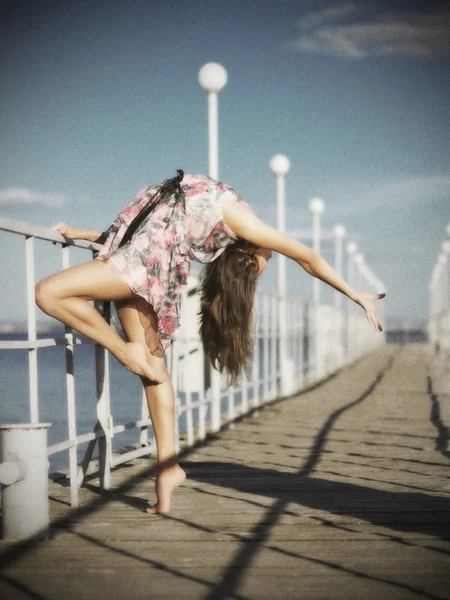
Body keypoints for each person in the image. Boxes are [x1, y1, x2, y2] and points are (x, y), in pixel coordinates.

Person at [35, 171, 385, 514]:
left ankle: (167, 463)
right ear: (250, 253)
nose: (272, 256)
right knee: (149, 366)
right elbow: (307, 257)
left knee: (53, 294)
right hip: (142, 265)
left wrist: (83, 234)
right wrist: (356, 295)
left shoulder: (230, 226)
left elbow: (148, 228)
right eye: (267, 260)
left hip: (142, 265)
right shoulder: (246, 226)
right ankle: (168, 466)